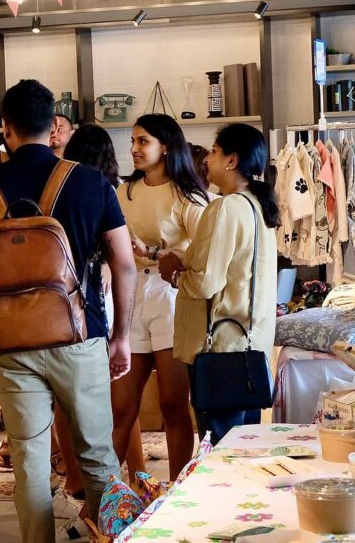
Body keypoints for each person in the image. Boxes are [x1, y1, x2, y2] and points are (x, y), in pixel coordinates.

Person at [0, 79, 137, 543]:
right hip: (80, 336)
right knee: (98, 458)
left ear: (3, 128)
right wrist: (121, 336)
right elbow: (124, 266)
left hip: (12, 344)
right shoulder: (90, 182)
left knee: (28, 461)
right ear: (54, 127)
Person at [158, 123, 279, 444]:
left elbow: (206, 283)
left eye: (213, 151)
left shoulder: (226, 207)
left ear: (231, 160)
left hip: (220, 346)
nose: (207, 159)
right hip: (250, 346)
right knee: (245, 444)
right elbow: (235, 267)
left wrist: (174, 273)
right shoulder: (257, 205)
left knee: (220, 447)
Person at [112, 114, 210, 480]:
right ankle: (100, 496)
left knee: (172, 402)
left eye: (143, 141)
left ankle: (177, 486)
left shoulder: (188, 194)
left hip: (172, 295)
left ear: (165, 146)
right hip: (131, 291)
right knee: (121, 405)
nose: (134, 148)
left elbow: (204, 252)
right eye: (133, 141)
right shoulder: (127, 191)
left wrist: (153, 250)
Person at [63, 125, 146, 483]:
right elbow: (123, 262)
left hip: (68, 303)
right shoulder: (106, 190)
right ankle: (134, 472)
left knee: (67, 404)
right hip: (102, 298)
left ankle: (75, 478)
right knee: (118, 402)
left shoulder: (64, 189)